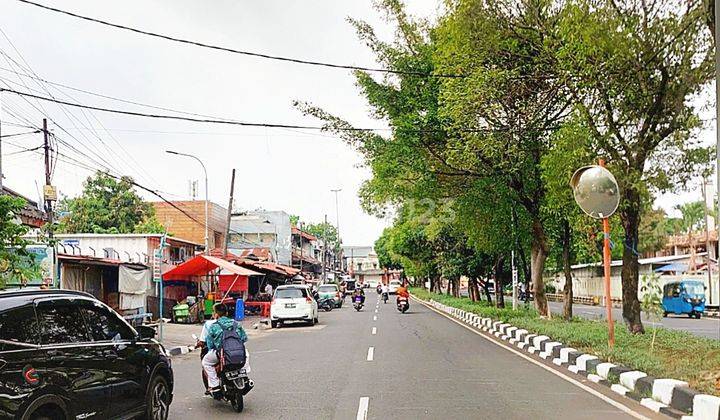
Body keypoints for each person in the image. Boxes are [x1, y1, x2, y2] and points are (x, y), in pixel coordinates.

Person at [201, 303, 248, 396]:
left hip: (221, 354)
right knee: (246, 354)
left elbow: (210, 344)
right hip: (239, 353)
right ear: (226, 313)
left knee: (205, 362)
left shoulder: (214, 326)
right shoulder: (236, 324)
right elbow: (244, 338)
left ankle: (215, 386)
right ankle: (245, 375)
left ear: (216, 314)